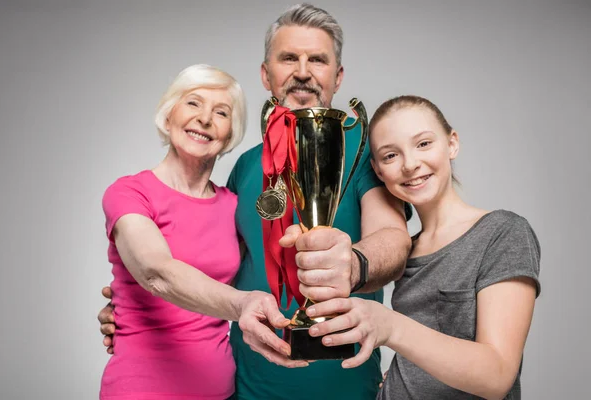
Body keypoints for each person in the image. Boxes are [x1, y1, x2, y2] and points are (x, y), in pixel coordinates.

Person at [99, 4, 413, 399]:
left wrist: (352, 264)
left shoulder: (365, 150)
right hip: (244, 390)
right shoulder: (245, 167)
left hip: (345, 388)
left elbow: (393, 239)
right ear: (266, 75)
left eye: (317, 59)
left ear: (338, 76)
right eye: (288, 58)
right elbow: (208, 266)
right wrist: (130, 303)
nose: (303, 71)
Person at [306, 95, 541, 399]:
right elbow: (420, 357)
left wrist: (390, 327)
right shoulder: (407, 252)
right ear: (378, 171)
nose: (410, 164)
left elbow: (496, 376)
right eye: (391, 156)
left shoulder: (503, 233)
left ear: (452, 143)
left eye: (424, 144)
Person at [99, 64, 307, 400]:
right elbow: (157, 273)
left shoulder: (234, 206)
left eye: (221, 112)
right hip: (141, 389)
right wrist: (241, 305)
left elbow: (262, 270)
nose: (205, 118)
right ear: (169, 117)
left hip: (222, 391)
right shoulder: (129, 193)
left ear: (229, 136)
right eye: (193, 103)